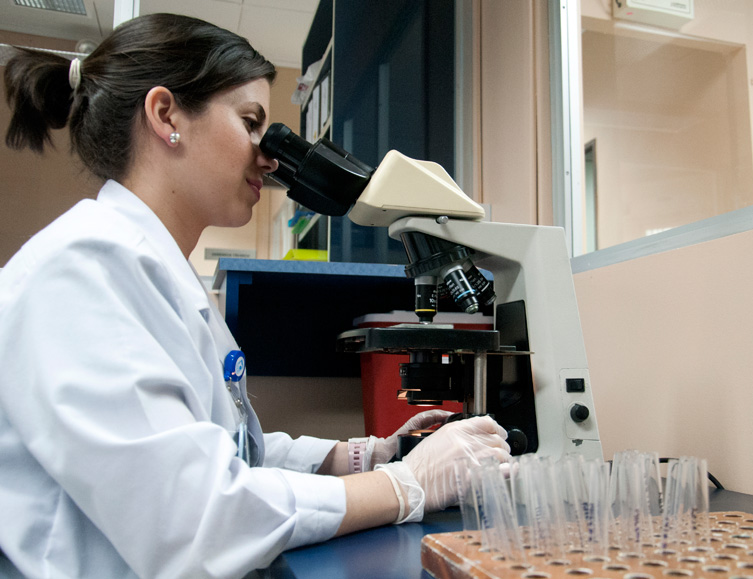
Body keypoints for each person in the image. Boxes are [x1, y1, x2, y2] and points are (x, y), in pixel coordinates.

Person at [0, 13, 511, 579]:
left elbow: (222, 448)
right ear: (166, 114)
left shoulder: (146, 268)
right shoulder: (82, 271)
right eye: (251, 123)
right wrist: (406, 485)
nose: (269, 158)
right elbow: (197, 516)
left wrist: (364, 455)